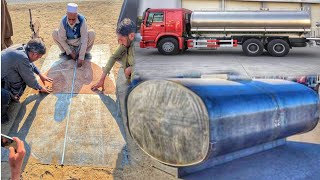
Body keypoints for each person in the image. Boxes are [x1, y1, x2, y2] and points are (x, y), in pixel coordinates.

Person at [91, 18, 136, 132]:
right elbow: (113, 57)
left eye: (121, 39)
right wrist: (102, 79)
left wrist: (132, 69)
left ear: (131, 36)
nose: (119, 42)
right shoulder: (126, 43)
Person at [1, 38, 52, 124]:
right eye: (39, 57)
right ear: (34, 54)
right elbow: (30, 80)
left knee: (17, 81)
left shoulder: (24, 48)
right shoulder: (21, 57)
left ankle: (11, 95)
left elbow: (29, 62)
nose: (38, 58)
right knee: (4, 95)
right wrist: (40, 88)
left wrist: (40, 74)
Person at [52, 3, 95, 67]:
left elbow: (84, 39)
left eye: (73, 19)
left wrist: (81, 57)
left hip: (79, 44)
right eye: (69, 19)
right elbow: (62, 40)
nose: (71, 22)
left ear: (77, 15)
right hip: (69, 45)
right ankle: (65, 53)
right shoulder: (63, 21)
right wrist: (71, 53)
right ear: (66, 15)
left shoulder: (82, 20)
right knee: (55, 33)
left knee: (92, 33)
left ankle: (85, 53)